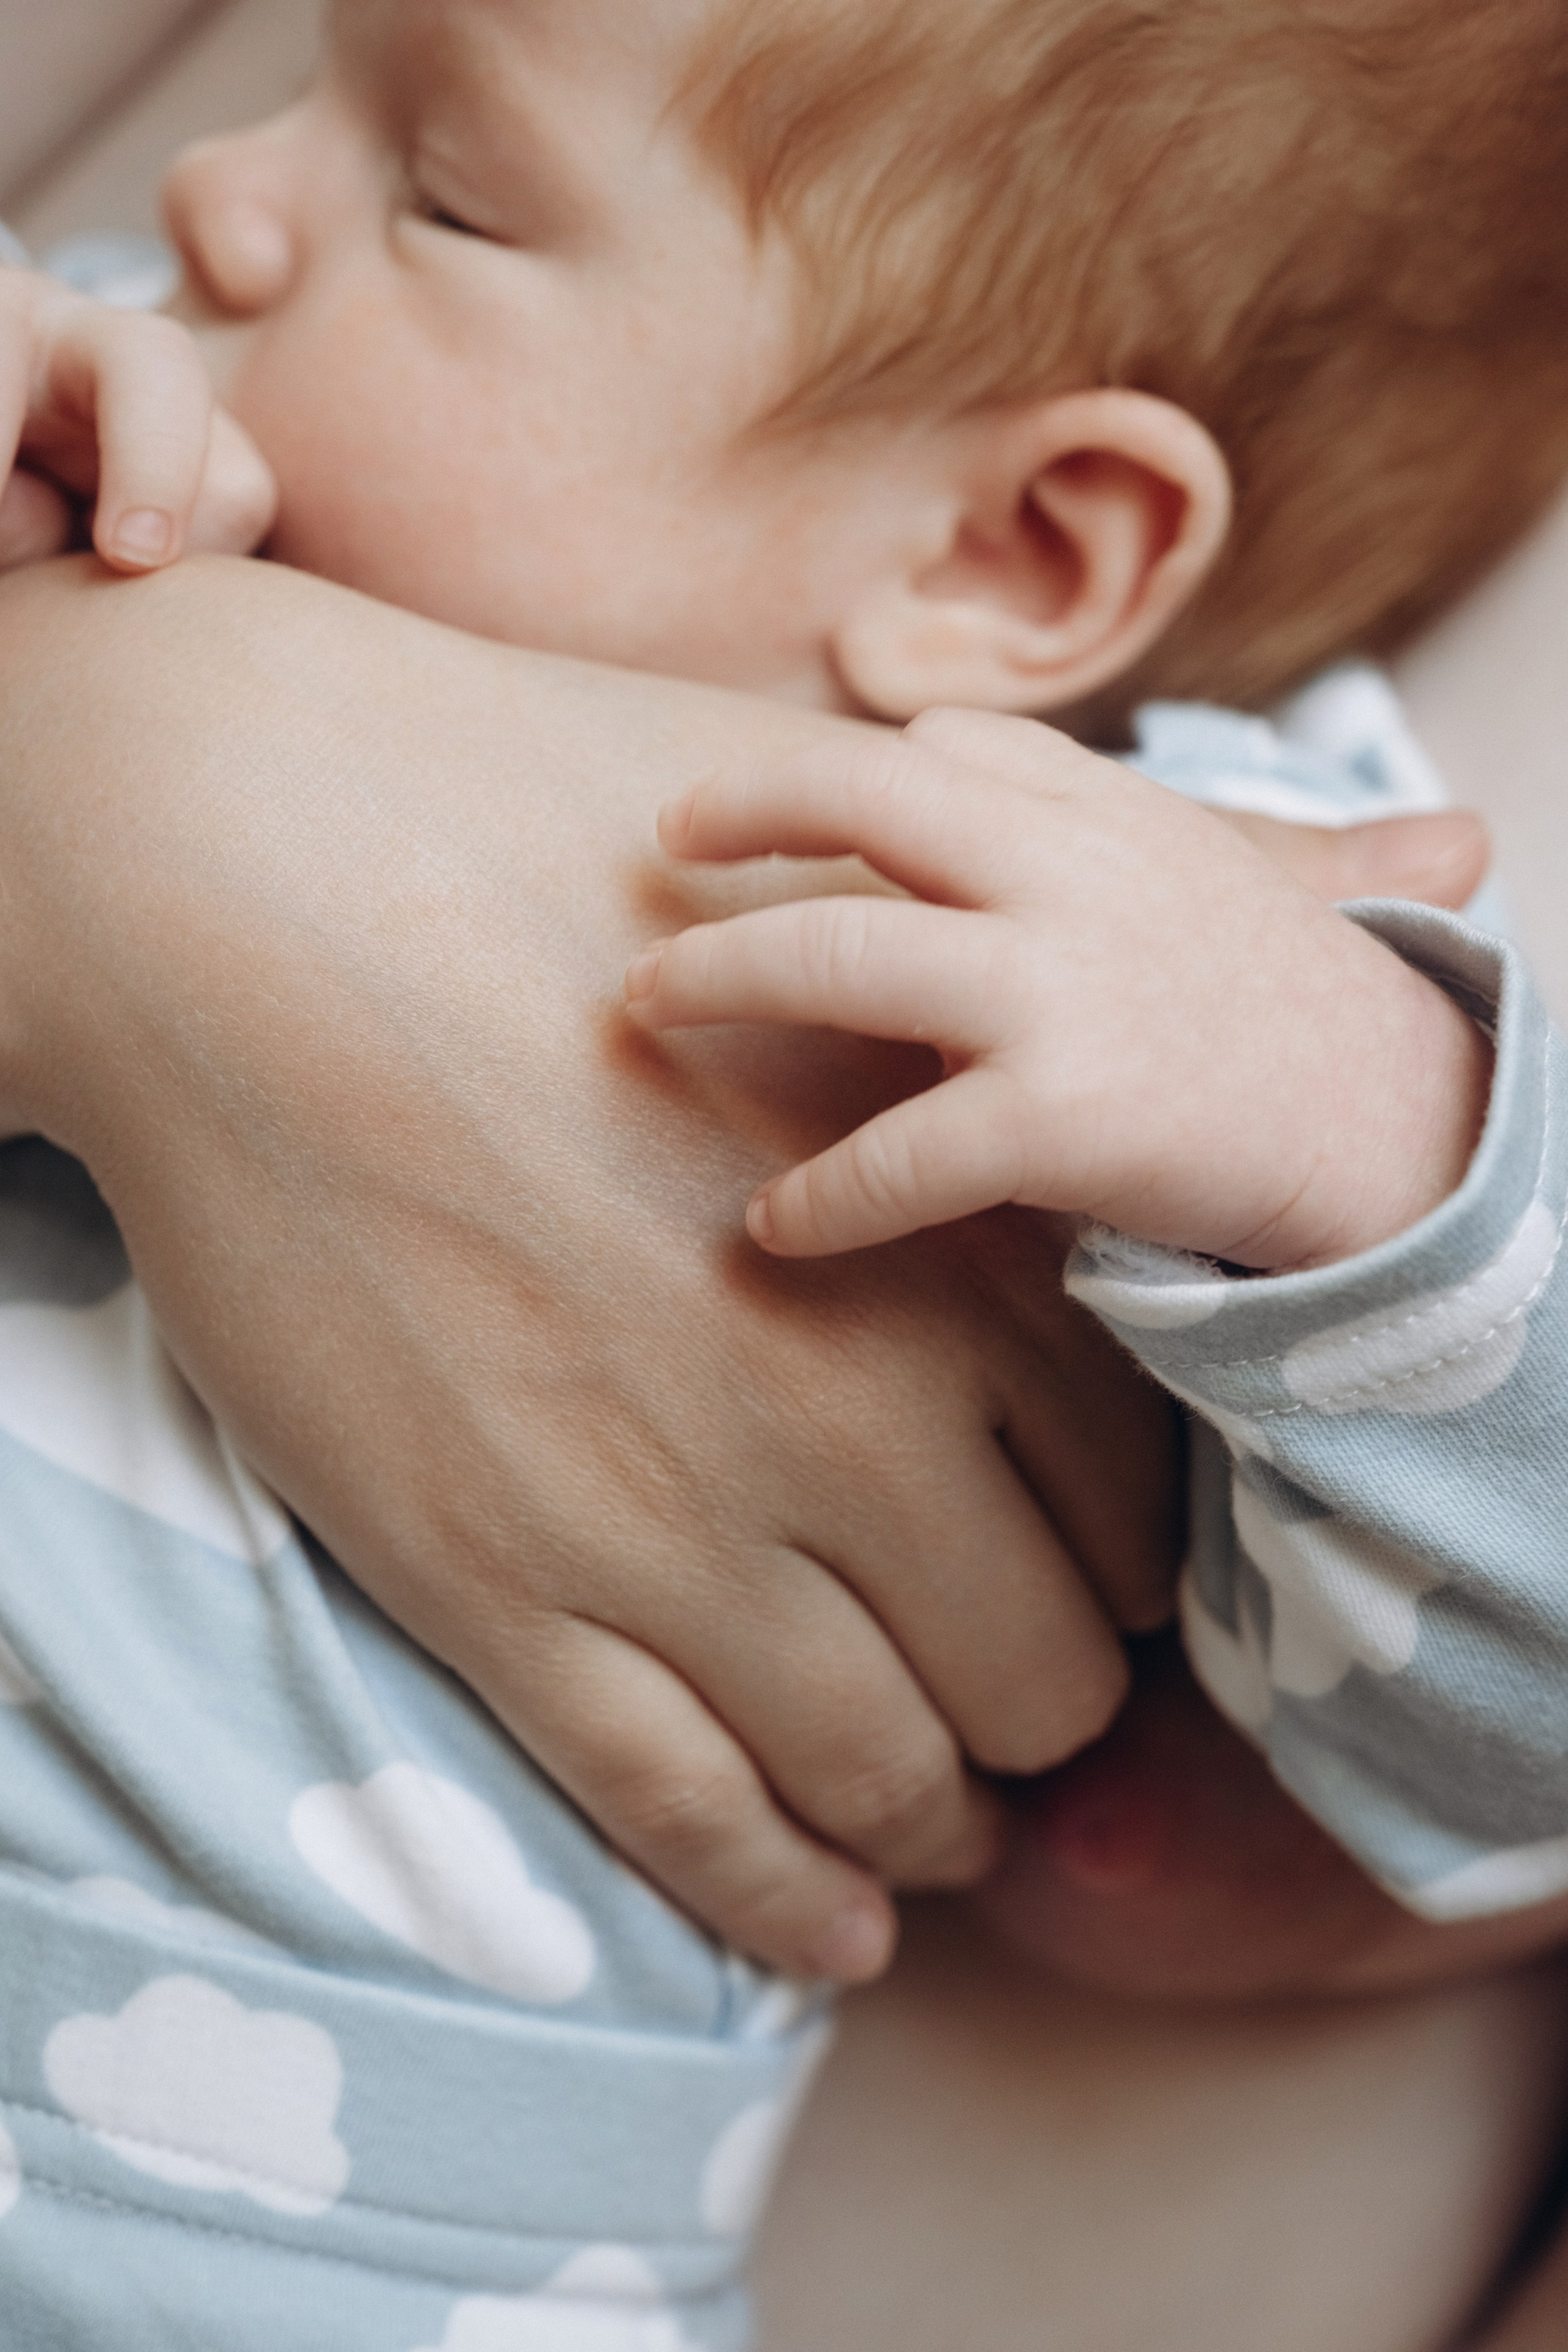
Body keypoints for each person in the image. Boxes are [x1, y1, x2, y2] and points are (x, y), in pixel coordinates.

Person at [0, 0, 1566, 2343]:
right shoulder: (131, 452)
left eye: (446, 190)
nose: (226, 189)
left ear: (1022, 557)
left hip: (303, 2212)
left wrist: (1359, 1130)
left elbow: (1506, 1739)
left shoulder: (1187, 910)